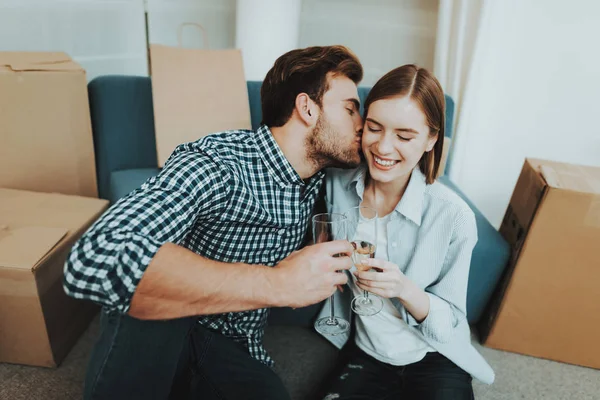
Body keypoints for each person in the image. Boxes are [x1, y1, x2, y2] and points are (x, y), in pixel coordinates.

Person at [63, 45, 364, 400]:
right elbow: (95, 258)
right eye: (351, 110)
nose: (363, 125)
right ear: (307, 108)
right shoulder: (217, 163)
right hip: (166, 325)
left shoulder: (320, 180)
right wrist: (278, 283)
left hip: (233, 345)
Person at [318, 64, 494, 400]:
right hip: (365, 353)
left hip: (435, 355)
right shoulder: (336, 184)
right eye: (374, 128)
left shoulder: (453, 215)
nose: (383, 148)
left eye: (404, 136)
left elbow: (451, 324)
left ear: (431, 140)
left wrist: (403, 289)